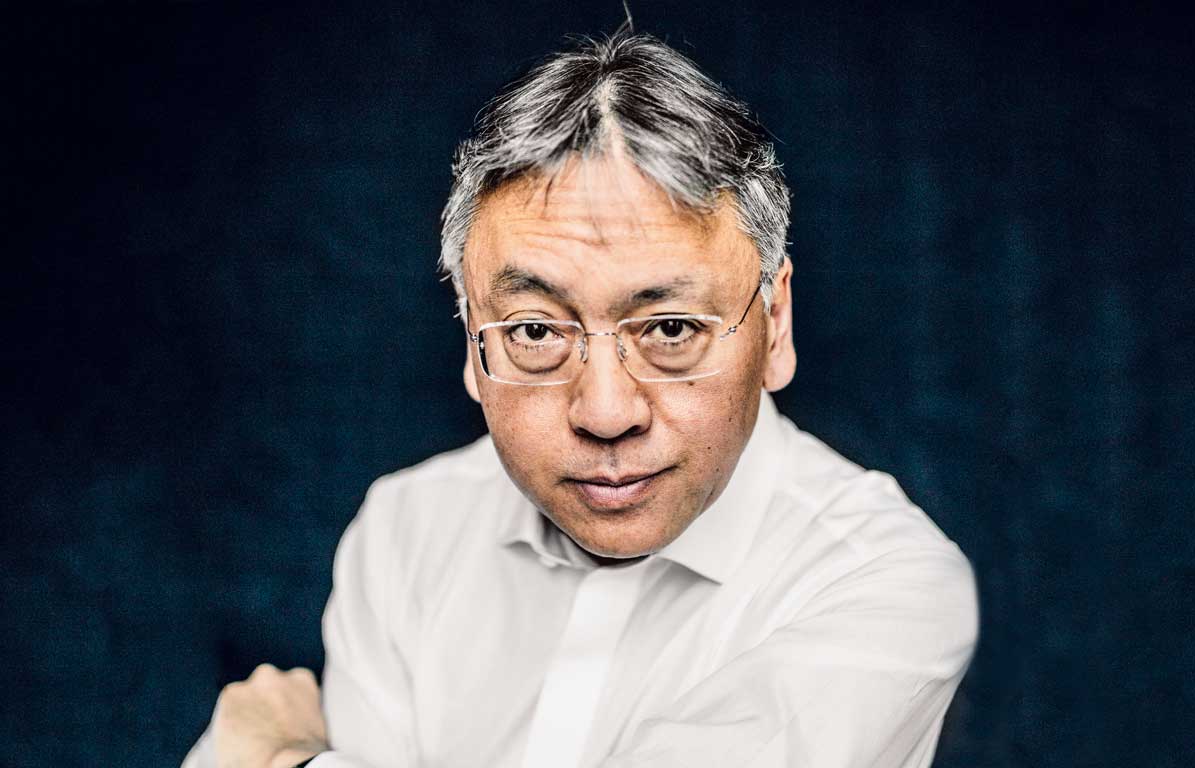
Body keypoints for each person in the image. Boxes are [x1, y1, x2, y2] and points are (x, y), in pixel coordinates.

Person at [183, 28, 978, 768]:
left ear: (775, 326)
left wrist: (279, 758)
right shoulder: (406, 532)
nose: (605, 413)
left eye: (670, 329)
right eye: (535, 331)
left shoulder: (885, 585)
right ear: (472, 342)